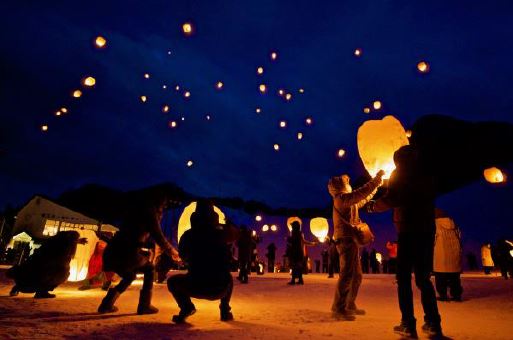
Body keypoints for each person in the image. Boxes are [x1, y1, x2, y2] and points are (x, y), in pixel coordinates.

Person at [368, 145, 442, 338]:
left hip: (408, 230)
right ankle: (433, 322)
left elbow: (392, 198)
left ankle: (408, 323)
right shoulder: (428, 175)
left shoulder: (400, 175)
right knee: (423, 279)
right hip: (426, 230)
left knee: (403, 280)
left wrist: (373, 206)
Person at [98, 186, 179, 315]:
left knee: (129, 275)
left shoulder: (136, 210)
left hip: (114, 250)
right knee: (149, 269)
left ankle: (106, 304)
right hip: (126, 252)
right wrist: (173, 252)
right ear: (158, 201)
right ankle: (144, 305)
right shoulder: (149, 212)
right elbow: (158, 235)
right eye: (164, 203)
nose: (164, 207)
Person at [167, 200, 238, 323]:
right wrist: (226, 225)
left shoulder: (188, 235)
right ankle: (225, 310)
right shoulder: (222, 234)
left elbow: (183, 256)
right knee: (228, 277)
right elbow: (235, 235)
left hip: (195, 285)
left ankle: (186, 307)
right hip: (219, 287)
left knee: (173, 281)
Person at [328, 170, 384, 320]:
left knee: (357, 275)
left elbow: (363, 198)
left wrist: (376, 187)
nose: (349, 184)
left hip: (351, 239)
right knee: (347, 274)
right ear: (340, 186)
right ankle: (339, 308)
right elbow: (360, 193)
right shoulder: (341, 199)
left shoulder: (348, 201)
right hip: (345, 240)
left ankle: (349, 304)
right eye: (346, 183)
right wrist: (376, 181)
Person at [7, 231, 87, 298]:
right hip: (48, 265)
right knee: (44, 278)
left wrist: (78, 241)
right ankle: (39, 292)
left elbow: (68, 241)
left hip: (46, 265)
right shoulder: (62, 243)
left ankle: (33, 290)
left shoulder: (60, 240)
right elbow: (65, 245)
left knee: (38, 278)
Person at [433, 209, 463, 301]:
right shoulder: (454, 224)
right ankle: (456, 295)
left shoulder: (435, 224)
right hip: (454, 254)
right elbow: (460, 236)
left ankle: (443, 295)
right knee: (455, 277)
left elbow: (432, 239)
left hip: (441, 254)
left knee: (441, 277)